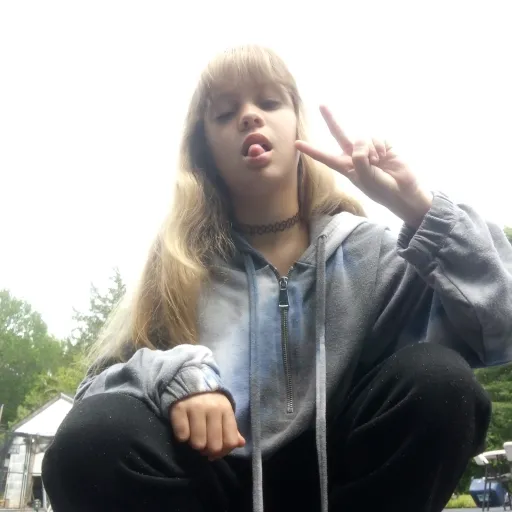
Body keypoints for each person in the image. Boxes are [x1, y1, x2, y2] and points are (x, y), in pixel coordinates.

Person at [42, 44, 512, 512]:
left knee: (440, 380)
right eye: (225, 113)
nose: (250, 116)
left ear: (297, 126)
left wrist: (417, 207)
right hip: (211, 482)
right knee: (94, 437)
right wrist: (177, 379)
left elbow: (502, 325)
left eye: (269, 102)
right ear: (204, 147)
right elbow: (93, 393)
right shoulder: (180, 266)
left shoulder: (370, 254)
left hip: (349, 483)